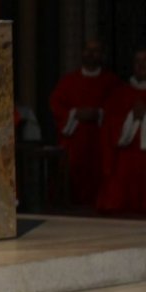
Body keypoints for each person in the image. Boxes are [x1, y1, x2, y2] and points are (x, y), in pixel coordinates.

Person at [49, 40, 123, 206]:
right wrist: (75, 113)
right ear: (82, 53)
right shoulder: (69, 81)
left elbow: (119, 109)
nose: (91, 54)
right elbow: (56, 104)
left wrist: (99, 113)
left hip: (100, 140)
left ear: (102, 54)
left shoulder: (111, 82)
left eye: (95, 51)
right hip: (75, 140)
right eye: (88, 50)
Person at [96, 47, 146, 214]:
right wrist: (132, 116)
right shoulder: (120, 93)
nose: (141, 65)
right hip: (126, 157)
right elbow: (109, 125)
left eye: (145, 61)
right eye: (138, 62)